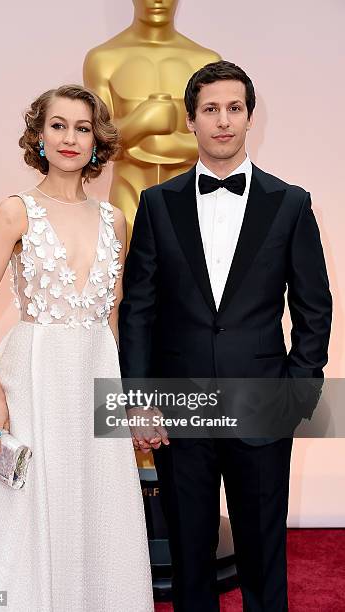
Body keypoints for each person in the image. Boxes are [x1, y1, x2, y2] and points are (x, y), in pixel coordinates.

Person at [118, 61, 332, 611]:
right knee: (190, 559)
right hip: (178, 407)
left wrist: (297, 391)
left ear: (249, 118)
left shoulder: (289, 203)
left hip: (261, 402)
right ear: (191, 120)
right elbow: (137, 309)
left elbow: (314, 306)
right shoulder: (157, 205)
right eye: (210, 109)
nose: (223, 121)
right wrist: (140, 400)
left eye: (234, 108)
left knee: (264, 555)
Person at [0, 85, 154, 611]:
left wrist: (130, 396)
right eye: (58, 126)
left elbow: (113, 315)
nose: (70, 138)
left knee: (97, 509)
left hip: (94, 378)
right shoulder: (17, 211)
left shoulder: (115, 220)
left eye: (82, 128)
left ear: (96, 142)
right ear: (39, 136)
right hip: (31, 383)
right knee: (24, 516)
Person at [83, 0, 221, 232]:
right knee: (126, 264)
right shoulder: (103, 59)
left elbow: (220, 143)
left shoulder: (205, 62)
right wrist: (142, 121)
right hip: (129, 194)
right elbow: (102, 148)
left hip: (190, 197)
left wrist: (163, 143)